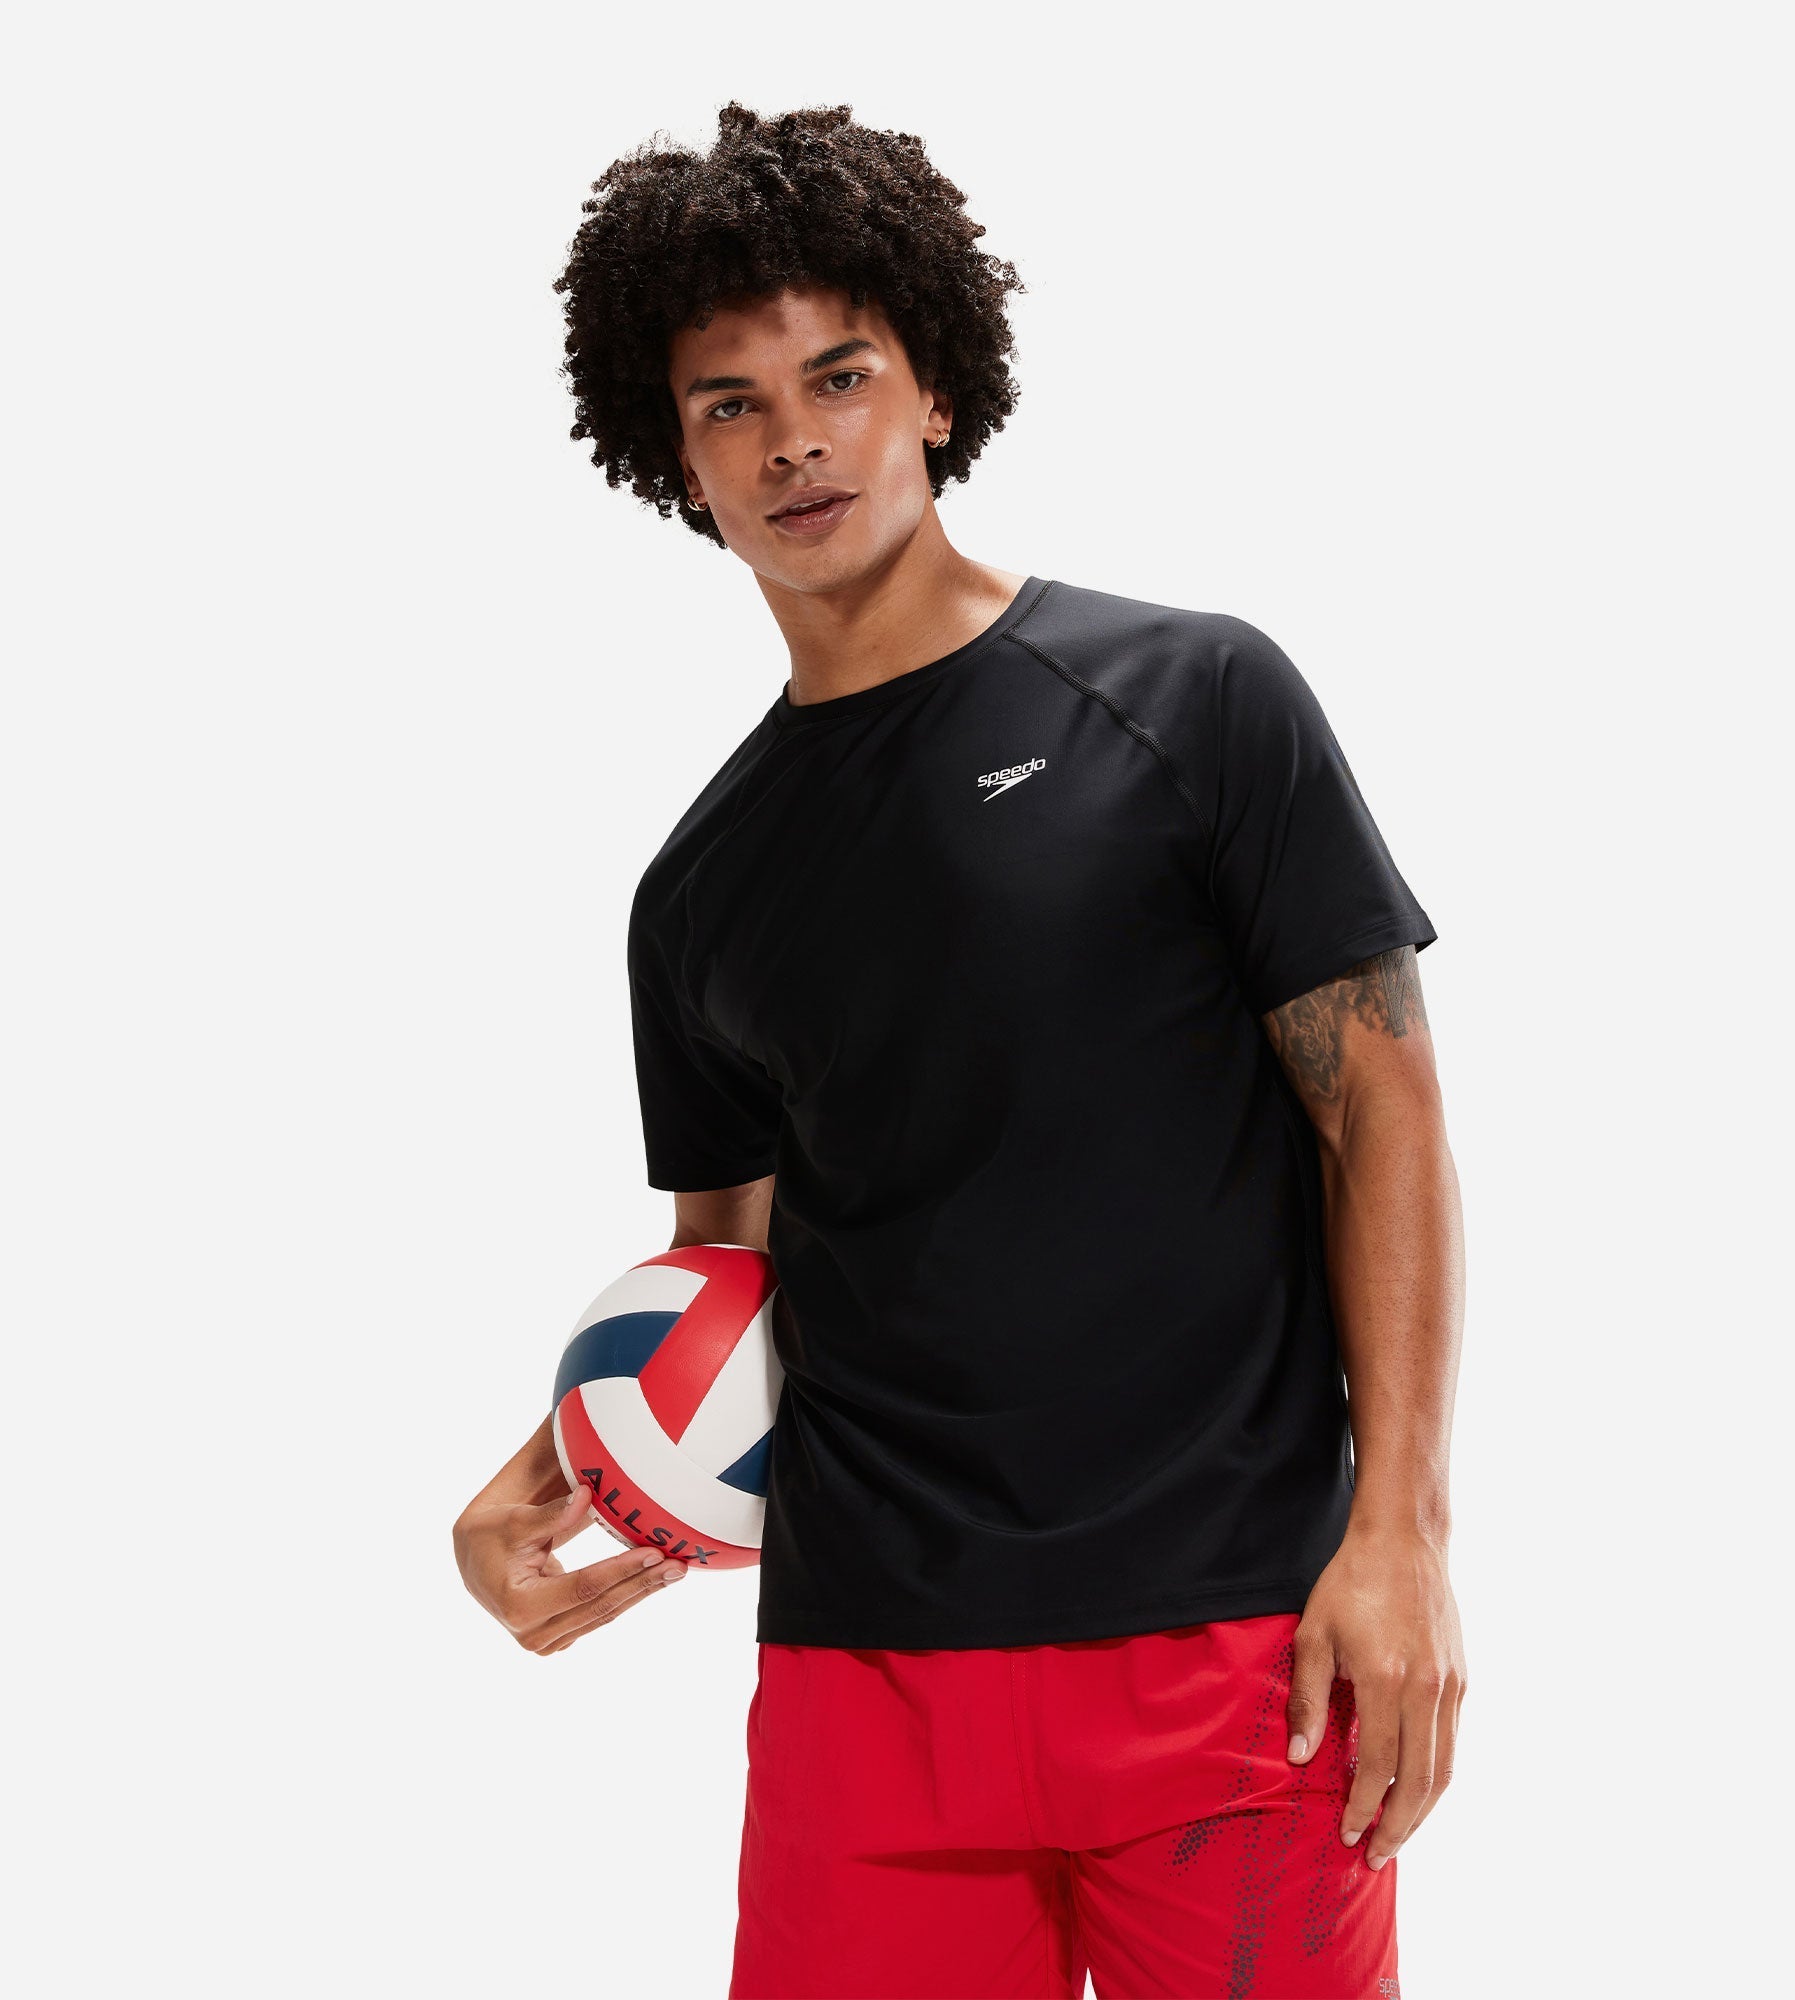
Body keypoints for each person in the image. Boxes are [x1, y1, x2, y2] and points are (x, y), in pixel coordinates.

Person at [453, 101, 1465, 2000]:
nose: (794, 440)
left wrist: (1400, 1533)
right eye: (732, 404)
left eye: (839, 376)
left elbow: (1384, 1122)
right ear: (677, 456)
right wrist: (559, 1462)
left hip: (1233, 1647)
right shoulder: (699, 891)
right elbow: (730, 1279)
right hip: (867, 1681)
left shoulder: (1194, 700)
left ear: (934, 391)